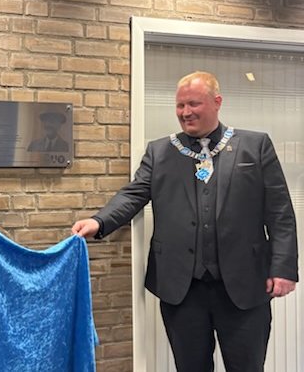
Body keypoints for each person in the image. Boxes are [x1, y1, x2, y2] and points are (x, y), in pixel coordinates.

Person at [72, 71, 298, 372]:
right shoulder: (160, 151)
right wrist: (99, 222)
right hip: (182, 288)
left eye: (193, 104)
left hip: (244, 285)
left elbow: (280, 212)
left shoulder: (255, 146)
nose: (185, 112)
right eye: (180, 105)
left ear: (217, 102)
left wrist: (283, 268)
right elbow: (134, 194)